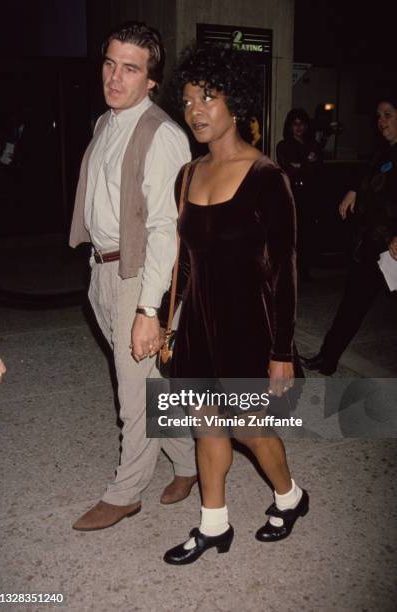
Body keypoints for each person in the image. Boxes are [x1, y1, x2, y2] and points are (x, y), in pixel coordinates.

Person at [158, 46, 308, 565]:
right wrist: (166, 321)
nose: (196, 110)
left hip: (250, 328)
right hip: (200, 326)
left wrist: (282, 350)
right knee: (206, 424)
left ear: (235, 104)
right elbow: (187, 264)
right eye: (187, 99)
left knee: (250, 429)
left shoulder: (268, 179)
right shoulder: (187, 175)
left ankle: (290, 498)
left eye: (208, 97)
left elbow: (286, 272)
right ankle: (214, 525)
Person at [69, 22, 196, 531]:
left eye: (130, 69)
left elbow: (168, 230)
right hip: (103, 268)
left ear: (151, 81)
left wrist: (149, 309)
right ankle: (189, 463)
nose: (115, 77)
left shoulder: (162, 134)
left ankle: (126, 493)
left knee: (134, 392)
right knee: (153, 382)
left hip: (140, 275)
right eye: (109, 64)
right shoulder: (105, 123)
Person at [301, 95, 397, 375]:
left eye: (388, 114)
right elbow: (368, 177)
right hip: (373, 242)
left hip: (391, 244)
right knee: (352, 303)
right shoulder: (384, 152)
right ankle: (328, 358)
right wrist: (354, 190)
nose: (382, 121)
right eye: (379, 116)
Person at [276, 108, 322, 279]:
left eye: (301, 123)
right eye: (294, 124)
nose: (298, 127)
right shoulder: (283, 146)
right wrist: (306, 163)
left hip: (311, 194)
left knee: (309, 232)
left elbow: (317, 169)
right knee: (292, 233)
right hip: (292, 194)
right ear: (289, 126)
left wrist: (301, 165)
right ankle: (291, 270)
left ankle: (305, 270)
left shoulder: (313, 145)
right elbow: (290, 169)